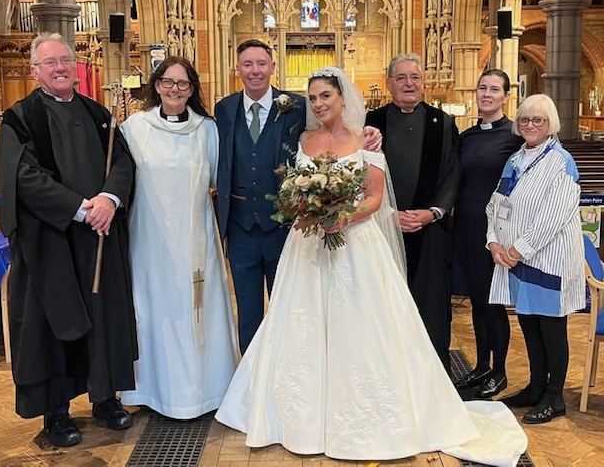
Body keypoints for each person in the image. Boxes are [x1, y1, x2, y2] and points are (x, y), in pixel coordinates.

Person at [215, 67, 527, 465]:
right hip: (307, 248)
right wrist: (306, 209)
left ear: (342, 98)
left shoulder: (366, 140)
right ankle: (298, 414)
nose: (319, 104)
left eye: (326, 96)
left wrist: (342, 216)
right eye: (313, 98)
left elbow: (375, 199)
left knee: (362, 326)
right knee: (300, 322)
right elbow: (292, 187)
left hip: (355, 245)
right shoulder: (303, 140)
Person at [0, 32, 137, 447]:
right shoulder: (20, 119)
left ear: (76, 67)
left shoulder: (98, 114)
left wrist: (109, 199)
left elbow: (123, 161)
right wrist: (79, 208)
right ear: (35, 71)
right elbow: (22, 177)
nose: (59, 68)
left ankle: (105, 397)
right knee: (49, 324)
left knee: (103, 315)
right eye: (50, 62)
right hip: (51, 241)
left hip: (98, 237)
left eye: (65, 60)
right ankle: (56, 412)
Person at [215, 40, 381, 353]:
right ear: (237, 69)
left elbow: (335, 129)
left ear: (272, 67)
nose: (255, 71)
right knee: (247, 313)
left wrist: (371, 131)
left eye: (261, 63)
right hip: (240, 229)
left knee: (290, 311)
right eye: (247, 64)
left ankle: (285, 367)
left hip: (285, 229)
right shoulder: (224, 109)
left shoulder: (296, 106)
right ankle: (253, 374)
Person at [118, 57, 238, 418]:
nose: (174, 89)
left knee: (196, 308)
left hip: (194, 237)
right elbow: (121, 179)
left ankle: (205, 391)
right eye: (168, 82)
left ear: (192, 89)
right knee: (151, 309)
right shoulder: (134, 127)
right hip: (149, 238)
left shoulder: (206, 130)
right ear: (156, 85)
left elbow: (219, 179)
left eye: (182, 83)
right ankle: (149, 391)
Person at [486, 94, 584, 423]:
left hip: (547, 260)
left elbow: (553, 217)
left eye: (538, 120)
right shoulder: (515, 159)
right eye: (525, 119)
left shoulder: (561, 161)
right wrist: (493, 241)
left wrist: (517, 250)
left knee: (551, 327)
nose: (530, 125)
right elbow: (495, 204)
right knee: (529, 324)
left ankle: (555, 396)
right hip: (516, 261)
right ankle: (535, 387)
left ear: (550, 123)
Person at [366, 53, 459, 373]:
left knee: (430, 307)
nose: (409, 84)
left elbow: (452, 173)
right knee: (385, 303)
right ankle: (389, 372)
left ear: (423, 83)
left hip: (428, 229)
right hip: (382, 228)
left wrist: (433, 212)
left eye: (415, 77)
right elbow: (360, 174)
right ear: (389, 84)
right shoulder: (371, 123)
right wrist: (387, 213)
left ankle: (432, 375)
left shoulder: (442, 123)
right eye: (401, 78)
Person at [453, 70, 522, 398]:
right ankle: (481, 366)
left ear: (506, 96)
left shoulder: (514, 136)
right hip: (466, 227)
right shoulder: (466, 137)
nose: (487, 94)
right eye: (483, 88)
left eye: (495, 89)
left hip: (495, 232)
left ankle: (500, 371)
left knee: (493, 302)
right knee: (478, 301)